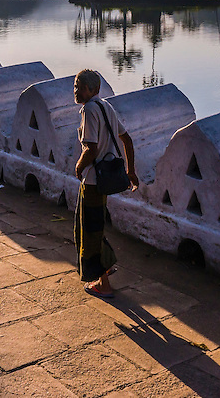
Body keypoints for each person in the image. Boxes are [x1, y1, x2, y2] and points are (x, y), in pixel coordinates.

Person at [73, 68, 138, 299]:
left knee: (89, 230)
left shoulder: (89, 109)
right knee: (95, 224)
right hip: (105, 179)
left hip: (92, 180)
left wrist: (79, 167)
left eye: (80, 86)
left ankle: (104, 284)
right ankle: (106, 268)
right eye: (75, 86)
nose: (76, 90)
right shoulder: (106, 106)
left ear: (93, 89)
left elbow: (90, 148)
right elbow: (126, 139)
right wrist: (131, 171)